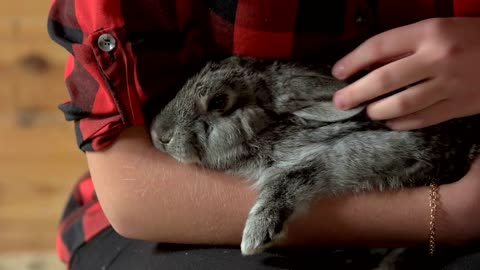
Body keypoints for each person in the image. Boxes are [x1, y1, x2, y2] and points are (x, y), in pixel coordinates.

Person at [47, 1, 480, 269]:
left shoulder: (302, 110)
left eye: (218, 107)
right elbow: (135, 195)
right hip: (171, 212)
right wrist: (447, 215)